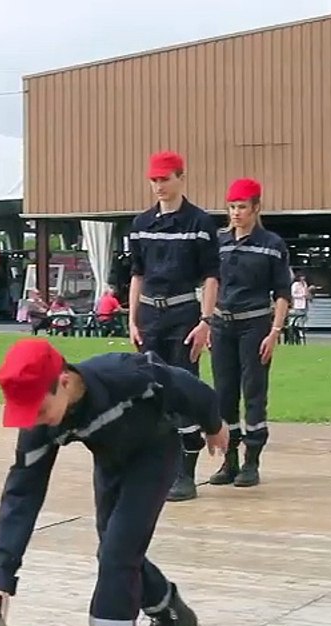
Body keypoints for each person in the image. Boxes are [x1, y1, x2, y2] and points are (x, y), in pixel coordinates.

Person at [0, 338, 228, 626]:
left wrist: (213, 425)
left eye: (40, 409)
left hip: (155, 453)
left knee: (117, 557)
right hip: (111, 462)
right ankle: (171, 615)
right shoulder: (41, 424)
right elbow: (22, 494)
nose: (35, 419)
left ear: (65, 381)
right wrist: (3, 579)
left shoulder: (125, 374)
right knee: (115, 552)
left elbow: (185, 385)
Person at [125, 150, 221, 502]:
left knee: (181, 388)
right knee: (150, 391)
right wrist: (132, 319)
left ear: (181, 178)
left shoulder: (200, 223)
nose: (158, 186)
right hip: (150, 316)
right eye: (154, 180)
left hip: (183, 315)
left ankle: (186, 473)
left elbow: (211, 276)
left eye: (164, 179)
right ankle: (157, 468)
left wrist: (205, 321)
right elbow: (137, 274)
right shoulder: (141, 224)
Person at [206, 178, 293, 489]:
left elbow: (282, 292)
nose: (236, 213)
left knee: (254, 392)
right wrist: (207, 322)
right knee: (223, 394)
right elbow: (210, 284)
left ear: (256, 208)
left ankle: (251, 461)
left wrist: (275, 331)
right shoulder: (219, 242)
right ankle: (228, 460)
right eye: (231, 207)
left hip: (255, 326)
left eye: (242, 207)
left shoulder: (272, 245)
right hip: (222, 325)